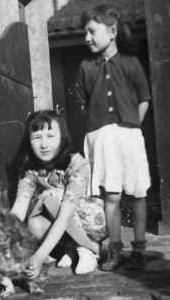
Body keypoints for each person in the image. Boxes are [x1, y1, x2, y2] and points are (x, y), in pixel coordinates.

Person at [74, 4, 151, 271]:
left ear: (113, 31)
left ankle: (139, 248)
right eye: (85, 33)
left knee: (138, 194)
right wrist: (103, 130)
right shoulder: (86, 66)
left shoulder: (131, 64)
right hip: (102, 139)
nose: (87, 38)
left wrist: (130, 128)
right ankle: (115, 250)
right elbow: (81, 102)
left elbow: (143, 100)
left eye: (92, 31)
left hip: (129, 137)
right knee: (112, 197)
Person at [11, 110, 106, 279]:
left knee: (50, 196)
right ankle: (70, 247)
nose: (44, 144)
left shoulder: (76, 163)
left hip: (92, 220)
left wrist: (39, 256)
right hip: (64, 219)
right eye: (37, 137)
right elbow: (19, 208)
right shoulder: (31, 168)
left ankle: (88, 249)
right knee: (33, 224)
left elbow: (64, 216)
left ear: (62, 137)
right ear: (29, 141)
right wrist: (5, 243)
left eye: (50, 136)